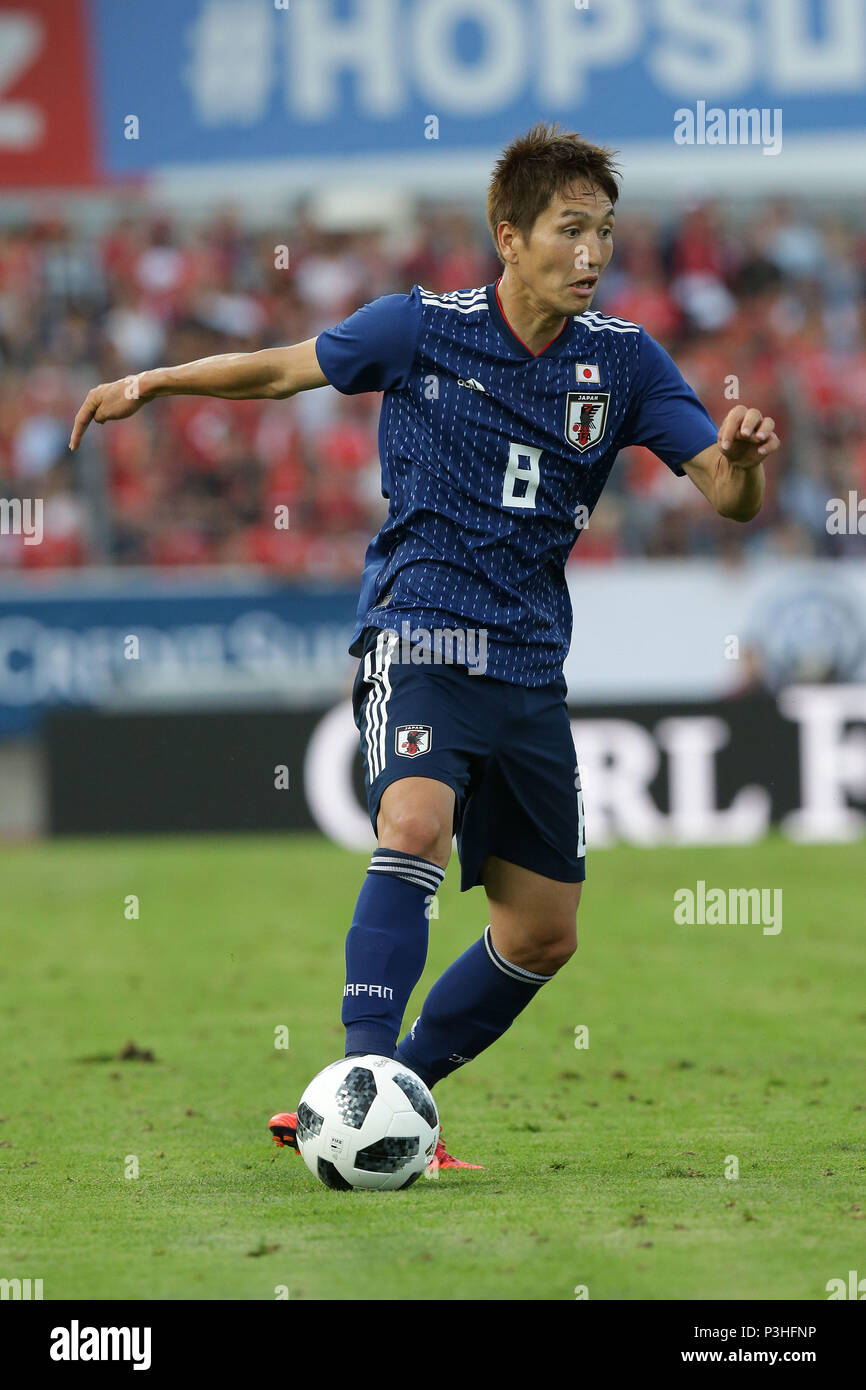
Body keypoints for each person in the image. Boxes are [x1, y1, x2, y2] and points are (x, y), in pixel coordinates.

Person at [69, 123, 780, 1174]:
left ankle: (393, 1100)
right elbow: (281, 373)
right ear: (509, 235)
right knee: (413, 819)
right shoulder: (418, 328)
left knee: (541, 933)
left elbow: (724, 500)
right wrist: (157, 382)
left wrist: (739, 460)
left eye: (604, 234)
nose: (591, 254)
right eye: (568, 231)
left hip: (532, 665)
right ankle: (358, 1085)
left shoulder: (624, 362)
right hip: (422, 630)